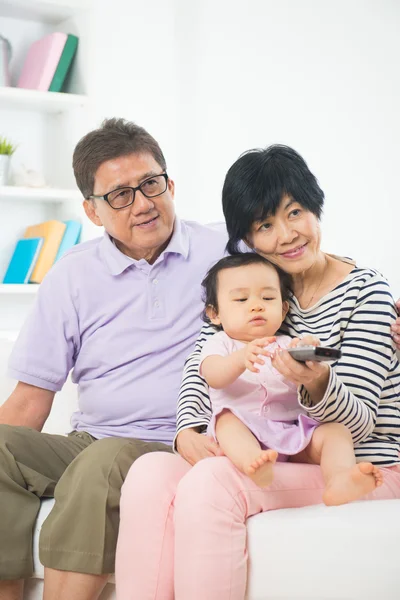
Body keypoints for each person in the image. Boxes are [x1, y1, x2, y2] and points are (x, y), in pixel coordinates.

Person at [115, 144, 400, 600]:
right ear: (247, 237)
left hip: (364, 461)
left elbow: (361, 419)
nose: (286, 235)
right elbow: (202, 362)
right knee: (150, 472)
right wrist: (188, 427)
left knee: (214, 483)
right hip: (280, 453)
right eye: (265, 225)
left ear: (315, 208)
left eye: (296, 212)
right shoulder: (262, 285)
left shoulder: (367, 292)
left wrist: (317, 382)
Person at [0, 118, 227, 600]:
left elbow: (310, 265)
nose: (143, 203)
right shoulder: (71, 275)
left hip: (179, 442)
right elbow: (29, 401)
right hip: (92, 441)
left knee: (102, 461)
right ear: (92, 210)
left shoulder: (224, 249)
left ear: (170, 183)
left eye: (151, 183)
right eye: (120, 194)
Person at [199, 252, 383, 501]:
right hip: (246, 432)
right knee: (226, 421)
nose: (256, 305)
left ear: (284, 309)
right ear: (215, 314)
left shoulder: (285, 344)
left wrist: (306, 354)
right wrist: (240, 359)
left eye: (268, 297)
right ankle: (254, 463)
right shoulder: (220, 343)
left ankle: (340, 477)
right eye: (241, 299)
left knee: (335, 432)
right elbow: (213, 376)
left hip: (291, 432)